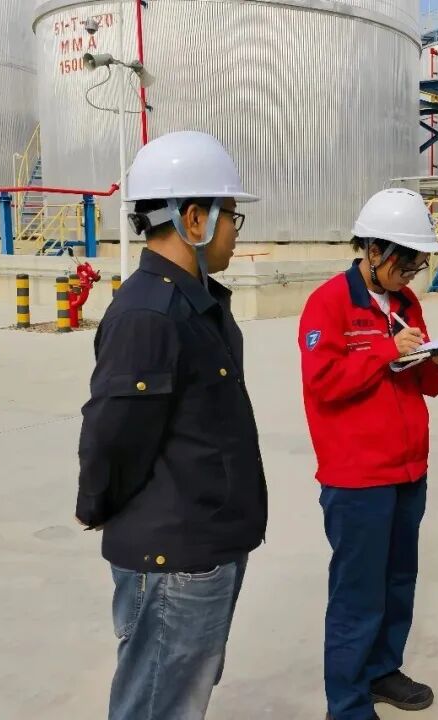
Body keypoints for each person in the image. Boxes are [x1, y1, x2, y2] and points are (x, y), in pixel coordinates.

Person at [75, 130, 268, 720]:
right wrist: (97, 505)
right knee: (157, 705)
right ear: (194, 219)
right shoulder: (149, 314)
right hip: (174, 558)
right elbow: (113, 435)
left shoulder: (195, 302)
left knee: (179, 697)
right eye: (231, 215)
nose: (236, 231)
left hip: (204, 543)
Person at [299, 188, 438, 720]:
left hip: (407, 471)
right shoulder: (329, 303)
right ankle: (347, 703)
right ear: (374, 251)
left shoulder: (406, 305)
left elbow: (422, 385)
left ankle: (382, 670)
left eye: (418, 265)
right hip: (357, 479)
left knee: (398, 582)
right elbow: (323, 383)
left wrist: (437, 361)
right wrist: (383, 349)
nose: (412, 274)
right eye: (406, 263)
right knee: (357, 593)